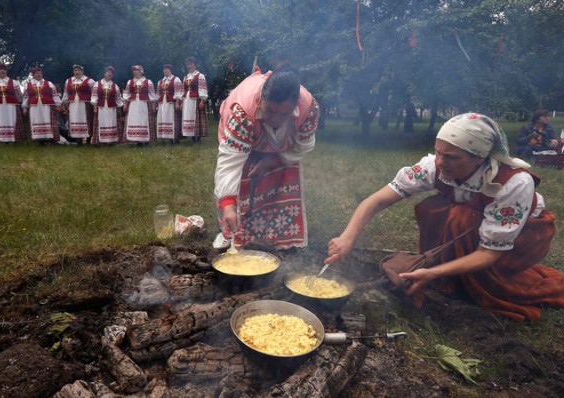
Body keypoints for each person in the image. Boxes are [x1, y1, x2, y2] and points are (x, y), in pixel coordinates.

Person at [326, 113, 564, 321]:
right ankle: (453, 273)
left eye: (450, 157)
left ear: (479, 157)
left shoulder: (513, 183)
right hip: (470, 223)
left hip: (520, 237)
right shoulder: (435, 166)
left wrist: (432, 272)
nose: (440, 162)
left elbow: (490, 252)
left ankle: (471, 281)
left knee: (462, 217)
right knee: (437, 210)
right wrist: (347, 237)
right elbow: (377, 199)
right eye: (438, 152)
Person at [214, 64, 319, 250]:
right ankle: (232, 232)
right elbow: (230, 162)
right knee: (242, 181)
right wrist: (228, 205)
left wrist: (273, 161)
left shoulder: (308, 108)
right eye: (270, 111)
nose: (276, 119)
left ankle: (278, 237)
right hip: (243, 141)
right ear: (262, 99)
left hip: (282, 147)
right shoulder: (242, 112)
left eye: (284, 114)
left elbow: (303, 146)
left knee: (282, 175)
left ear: (294, 106)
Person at [0, 63, 26, 143]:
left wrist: (18, 101)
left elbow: (18, 94)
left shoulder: (13, 82)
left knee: (12, 119)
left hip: (11, 105)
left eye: (4, 69)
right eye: (1, 69)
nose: (3, 71)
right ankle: (0, 139)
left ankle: (13, 138)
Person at [22, 67, 62, 143]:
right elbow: (26, 97)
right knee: (36, 120)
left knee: (48, 120)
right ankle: (40, 140)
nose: (39, 75)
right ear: (33, 75)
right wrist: (25, 107)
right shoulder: (28, 85)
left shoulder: (49, 83)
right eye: (37, 73)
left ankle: (52, 140)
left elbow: (54, 95)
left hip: (47, 106)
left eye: (40, 73)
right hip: (34, 107)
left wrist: (58, 104)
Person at [122, 65, 157, 144]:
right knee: (133, 119)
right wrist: (125, 103)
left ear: (141, 71)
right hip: (133, 104)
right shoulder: (130, 82)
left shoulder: (148, 81)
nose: (134, 71)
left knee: (144, 120)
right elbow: (126, 93)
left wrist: (153, 105)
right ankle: (135, 139)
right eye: (133, 70)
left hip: (144, 104)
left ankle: (145, 139)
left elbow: (152, 94)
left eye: (136, 70)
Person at [61, 64, 95, 144]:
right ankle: (78, 141)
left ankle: (88, 141)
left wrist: (94, 103)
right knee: (76, 119)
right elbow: (66, 93)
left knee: (87, 121)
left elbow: (94, 93)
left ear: (82, 71)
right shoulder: (68, 81)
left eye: (79, 70)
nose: (77, 72)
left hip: (85, 105)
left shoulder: (90, 81)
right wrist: (64, 102)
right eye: (75, 70)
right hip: (73, 105)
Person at [90, 66, 124, 144]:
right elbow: (94, 96)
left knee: (111, 121)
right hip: (101, 107)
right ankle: (101, 140)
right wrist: (95, 105)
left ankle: (111, 140)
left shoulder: (115, 86)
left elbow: (118, 98)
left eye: (111, 73)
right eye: (108, 72)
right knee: (102, 121)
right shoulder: (97, 84)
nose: (110, 74)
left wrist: (119, 106)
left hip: (111, 108)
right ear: (104, 73)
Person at [181, 57, 208, 143]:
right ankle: (192, 136)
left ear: (195, 64)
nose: (189, 66)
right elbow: (183, 90)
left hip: (195, 99)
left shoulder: (200, 76)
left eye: (191, 64)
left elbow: (203, 89)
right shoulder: (186, 77)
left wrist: (202, 100)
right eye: (188, 64)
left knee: (196, 116)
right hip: (187, 100)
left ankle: (197, 136)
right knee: (188, 115)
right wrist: (182, 101)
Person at [156, 64, 183, 144]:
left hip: (171, 102)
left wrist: (177, 102)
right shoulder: (160, 81)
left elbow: (179, 92)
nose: (165, 71)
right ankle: (167, 137)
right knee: (164, 118)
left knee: (172, 118)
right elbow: (158, 93)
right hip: (163, 103)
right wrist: (157, 103)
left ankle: (174, 138)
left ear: (170, 70)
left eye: (167, 69)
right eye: (164, 69)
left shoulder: (176, 79)